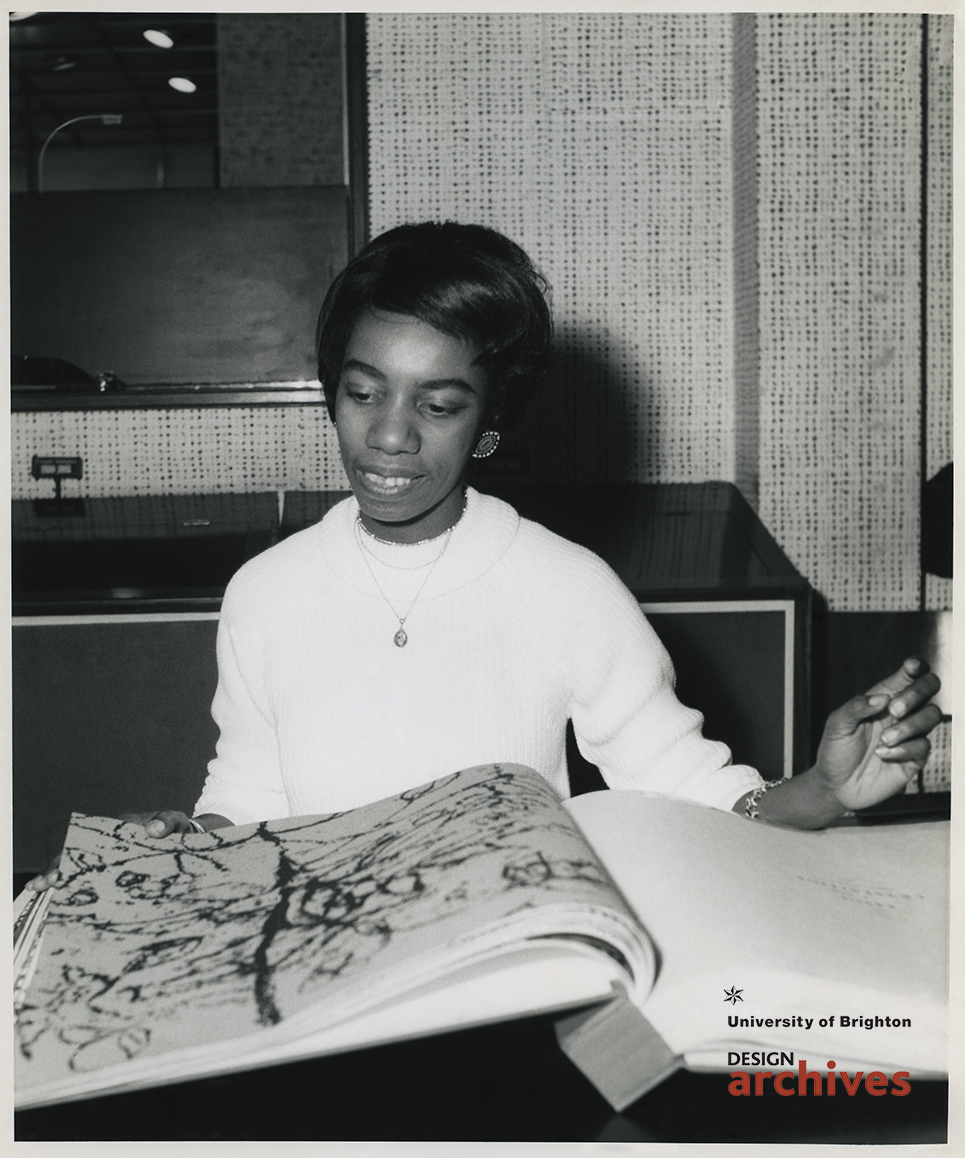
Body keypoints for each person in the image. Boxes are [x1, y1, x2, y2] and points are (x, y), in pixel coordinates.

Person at [28, 222, 942, 888]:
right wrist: (190, 840)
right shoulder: (265, 592)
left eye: (438, 405)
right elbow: (248, 790)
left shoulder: (566, 587)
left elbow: (689, 793)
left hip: (504, 974)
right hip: (313, 965)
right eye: (362, 392)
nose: (388, 437)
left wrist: (821, 792)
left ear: (491, 422)